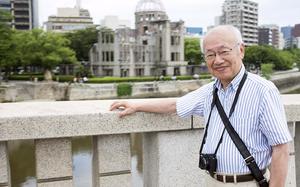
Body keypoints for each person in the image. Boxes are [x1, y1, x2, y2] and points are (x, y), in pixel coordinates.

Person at [110, 25, 292, 187]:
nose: (217, 60)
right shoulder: (209, 91)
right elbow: (175, 104)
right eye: (210, 55)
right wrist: (137, 105)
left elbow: (281, 148)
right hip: (211, 180)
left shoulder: (263, 90)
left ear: (241, 50)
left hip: (248, 182)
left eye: (224, 51)